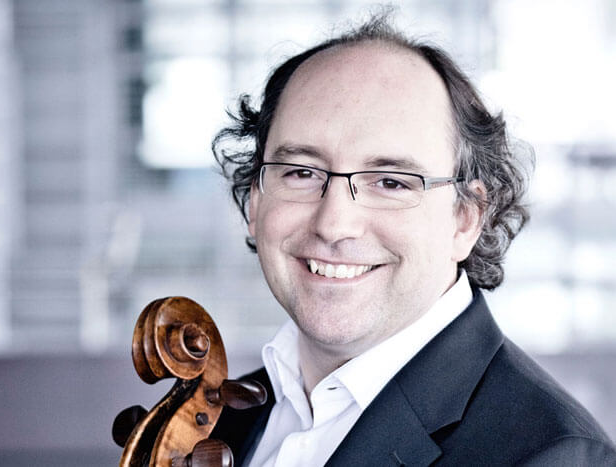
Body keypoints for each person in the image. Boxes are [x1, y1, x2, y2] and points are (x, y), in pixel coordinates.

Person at [210, 11, 616, 467]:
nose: (334, 224)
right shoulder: (219, 419)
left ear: (465, 219)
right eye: (301, 173)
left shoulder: (554, 455)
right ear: (254, 201)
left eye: (390, 182)